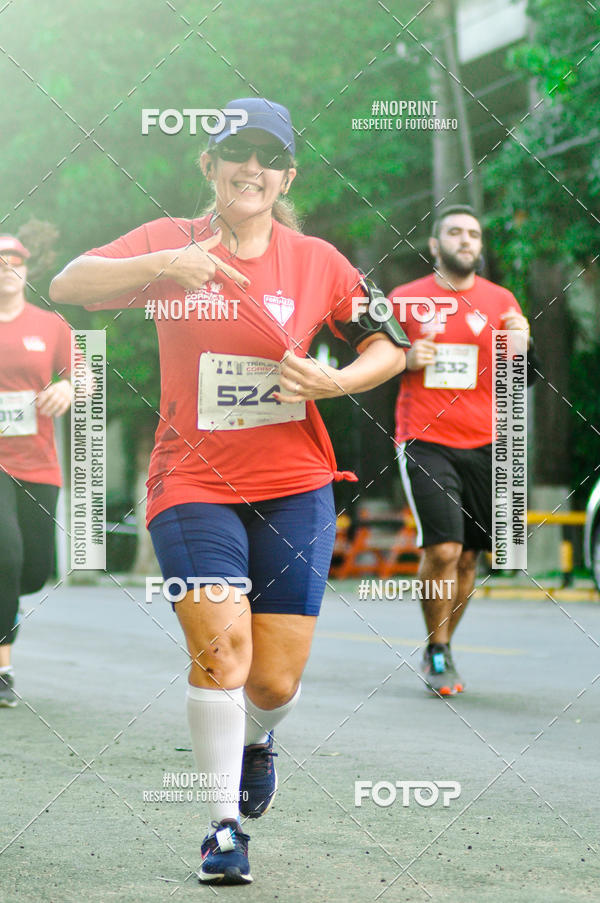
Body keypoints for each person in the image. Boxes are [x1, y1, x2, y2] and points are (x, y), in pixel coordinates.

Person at [50, 97, 409, 885]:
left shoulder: (318, 260)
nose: (252, 169)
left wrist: (338, 377)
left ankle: (257, 740)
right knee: (223, 653)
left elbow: (393, 344)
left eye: (269, 158)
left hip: (295, 485)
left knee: (275, 679)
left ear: (287, 176)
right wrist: (160, 266)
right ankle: (221, 828)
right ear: (207, 165)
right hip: (191, 482)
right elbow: (68, 281)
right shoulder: (164, 243)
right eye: (235, 154)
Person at [390, 205, 537, 697]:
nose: (466, 240)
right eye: (454, 232)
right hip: (425, 439)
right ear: (435, 245)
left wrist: (522, 344)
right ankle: (435, 648)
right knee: (444, 548)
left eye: (474, 233)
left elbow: (520, 380)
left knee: (470, 558)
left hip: (486, 443)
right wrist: (406, 358)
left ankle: (446, 644)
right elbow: (371, 366)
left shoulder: (501, 301)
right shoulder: (405, 301)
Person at [0, 235, 72, 707]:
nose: (7, 266)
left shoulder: (51, 325)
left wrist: (66, 389)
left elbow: (80, 375)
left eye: (16, 260)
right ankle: (3, 668)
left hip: (39, 464)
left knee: (33, 570)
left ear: (28, 270)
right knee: (5, 557)